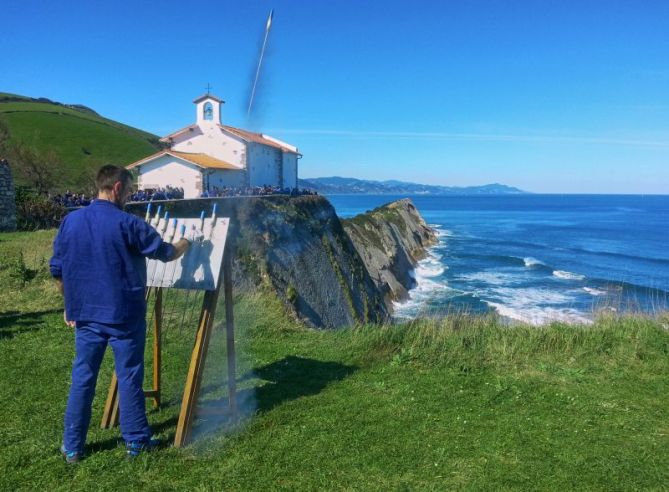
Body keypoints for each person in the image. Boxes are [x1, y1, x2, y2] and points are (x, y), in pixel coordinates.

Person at [50, 165, 191, 463]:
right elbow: (165, 253)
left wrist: (70, 304)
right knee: (128, 377)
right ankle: (137, 442)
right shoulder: (128, 223)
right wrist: (185, 244)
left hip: (86, 315)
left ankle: (73, 446)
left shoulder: (70, 221)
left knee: (83, 378)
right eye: (127, 191)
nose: (128, 196)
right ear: (116, 188)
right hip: (124, 315)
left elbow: (59, 270)